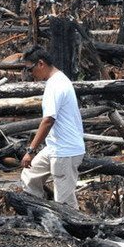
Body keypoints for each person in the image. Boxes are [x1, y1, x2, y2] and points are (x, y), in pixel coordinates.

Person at [19, 45, 86, 209]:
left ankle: (73, 231)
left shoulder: (55, 85)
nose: (30, 74)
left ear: (41, 64)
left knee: (65, 204)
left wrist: (31, 151)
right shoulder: (59, 80)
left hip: (65, 151)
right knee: (30, 175)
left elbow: (48, 120)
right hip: (55, 147)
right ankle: (40, 212)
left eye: (30, 69)